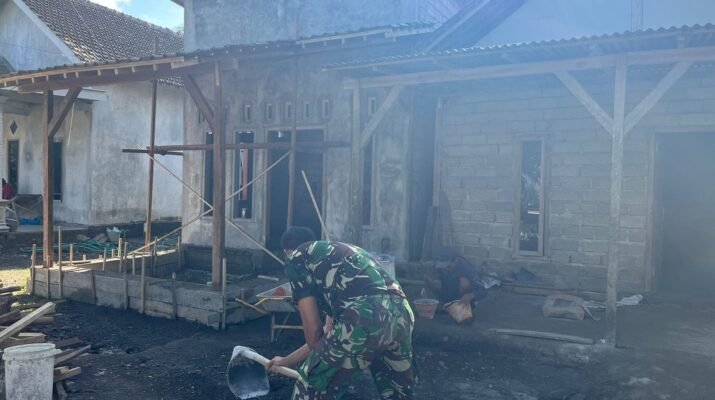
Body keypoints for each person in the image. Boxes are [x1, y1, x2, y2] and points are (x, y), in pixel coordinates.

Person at [266, 227, 416, 399]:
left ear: (287, 252)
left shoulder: (297, 258)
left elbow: (313, 330)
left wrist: (318, 364)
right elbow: (328, 333)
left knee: (311, 387)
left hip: (364, 314)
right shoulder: (338, 258)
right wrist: (286, 361)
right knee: (397, 391)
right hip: (401, 312)